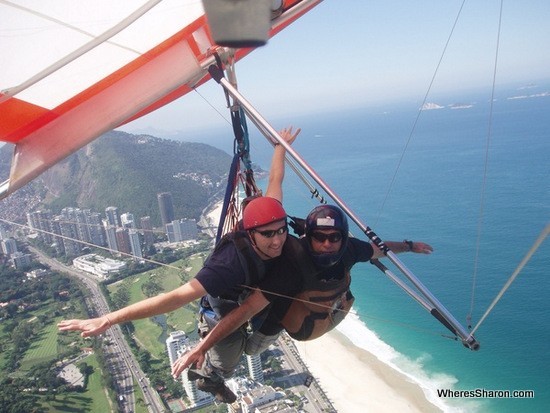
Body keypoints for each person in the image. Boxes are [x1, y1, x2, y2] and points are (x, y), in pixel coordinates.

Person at [58, 126, 301, 403]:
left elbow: (275, 180)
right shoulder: (228, 264)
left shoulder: (271, 217)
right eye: (267, 235)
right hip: (223, 311)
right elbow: (173, 298)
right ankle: (210, 376)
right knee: (228, 361)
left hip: (252, 295)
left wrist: (280, 147)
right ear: (250, 232)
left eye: (281, 230)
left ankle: (216, 369)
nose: (277, 240)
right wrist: (110, 318)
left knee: (258, 341)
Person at [171, 204, 433, 379]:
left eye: (334, 237)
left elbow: (379, 249)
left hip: (309, 315)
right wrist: (202, 347)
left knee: (252, 350)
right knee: (247, 349)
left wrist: (409, 245)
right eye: (319, 237)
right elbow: (248, 308)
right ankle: (213, 362)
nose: (327, 244)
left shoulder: (350, 249)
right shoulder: (292, 265)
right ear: (309, 237)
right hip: (272, 315)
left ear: (343, 237)